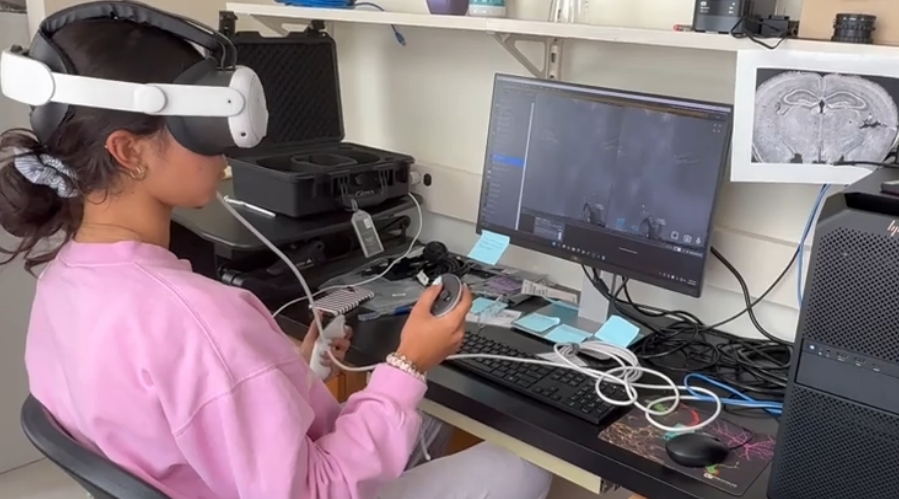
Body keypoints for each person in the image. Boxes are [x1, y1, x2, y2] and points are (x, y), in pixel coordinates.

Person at [0, 10, 552, 499]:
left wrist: (292, 372)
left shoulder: (61, 279)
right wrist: (409, 364)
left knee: (419, 421)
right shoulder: (201, 321)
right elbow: (319, 488)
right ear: (128, 150)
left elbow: (194, 413)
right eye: (204, 130)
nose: (232, 148)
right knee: (523, 467)